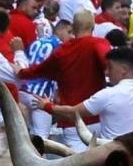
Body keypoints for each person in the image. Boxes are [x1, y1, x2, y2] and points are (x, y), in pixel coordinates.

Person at [34, 46, 133, 141]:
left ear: (124, 69)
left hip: (109, 157)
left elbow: (74, 113)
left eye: (110, 68)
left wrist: (47, 106)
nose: (107, 73)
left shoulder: (107, 95)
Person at [16, 10, 110, 151]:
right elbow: (108, 61)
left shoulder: (61, 51)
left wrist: (20, 71)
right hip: (96, 118)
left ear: (73, 27)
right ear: (93, 26)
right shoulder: (98, 43)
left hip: (70, 123)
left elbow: (36, 71)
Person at [21, 19, 71, 139]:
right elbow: (61, 73)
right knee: (41, 139)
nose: (72, 36)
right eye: (69, 32)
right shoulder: (60, 47)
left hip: (23, 91)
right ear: (59, 30)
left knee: (25, 137)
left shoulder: (36, 42)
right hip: (41, 96)